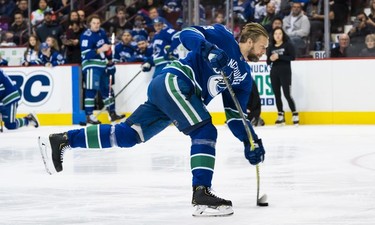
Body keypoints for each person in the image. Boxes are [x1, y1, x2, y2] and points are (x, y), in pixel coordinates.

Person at [38, 22, 268, 217]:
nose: (264, 52)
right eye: (262, 46)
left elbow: (235, 116)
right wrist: (206, 48)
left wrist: (250, 139)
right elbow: (186, 33)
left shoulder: (245, 78)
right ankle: (201, 194)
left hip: (176, 95)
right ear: (249, 40)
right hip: (176, 81)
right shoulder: (223, 35)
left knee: (128, 135)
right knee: (205, 131)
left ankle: (63, 140)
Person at [80, 14, 125, 125]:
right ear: (89, 23)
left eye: (98, 23)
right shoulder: (85, 36)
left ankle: (112, 113)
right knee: (91, 90)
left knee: (107, 90)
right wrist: (99, 50)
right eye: (94, 23)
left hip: (102, 65)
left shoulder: (102, 33)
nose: (96, 25)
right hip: (91, 66)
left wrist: (109, 59)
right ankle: (89, 115)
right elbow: (86, 55)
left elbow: (107, 50)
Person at [266, 27, 299, 125]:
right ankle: (280, 114)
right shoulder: (271, 46)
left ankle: (294, 113)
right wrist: (271, 59)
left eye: (280, 33)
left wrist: (279, 56)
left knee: (287, 94)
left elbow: (292, 57)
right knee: (277, 95)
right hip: (274, 72)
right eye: (276, 34)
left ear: (283, 35)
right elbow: (268, 61)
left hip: (285, 72)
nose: (278, 35)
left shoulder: (287, 45)